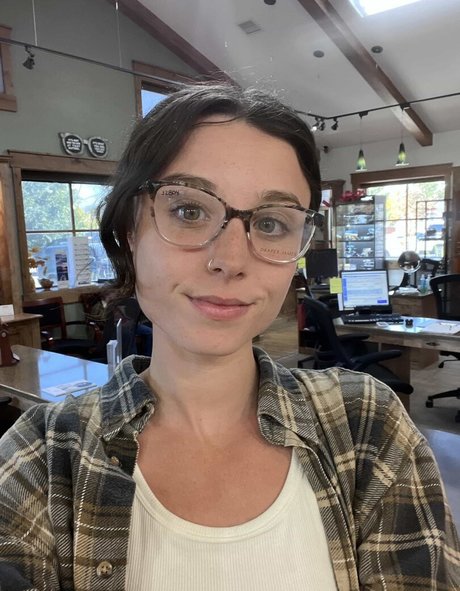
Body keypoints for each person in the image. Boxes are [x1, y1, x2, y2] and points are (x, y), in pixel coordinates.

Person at [0, 84, 458, 590]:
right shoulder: (44, 455)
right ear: (130, 231)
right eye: (189, 211)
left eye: (271, 223)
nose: (231, 260)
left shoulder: (365, 422)